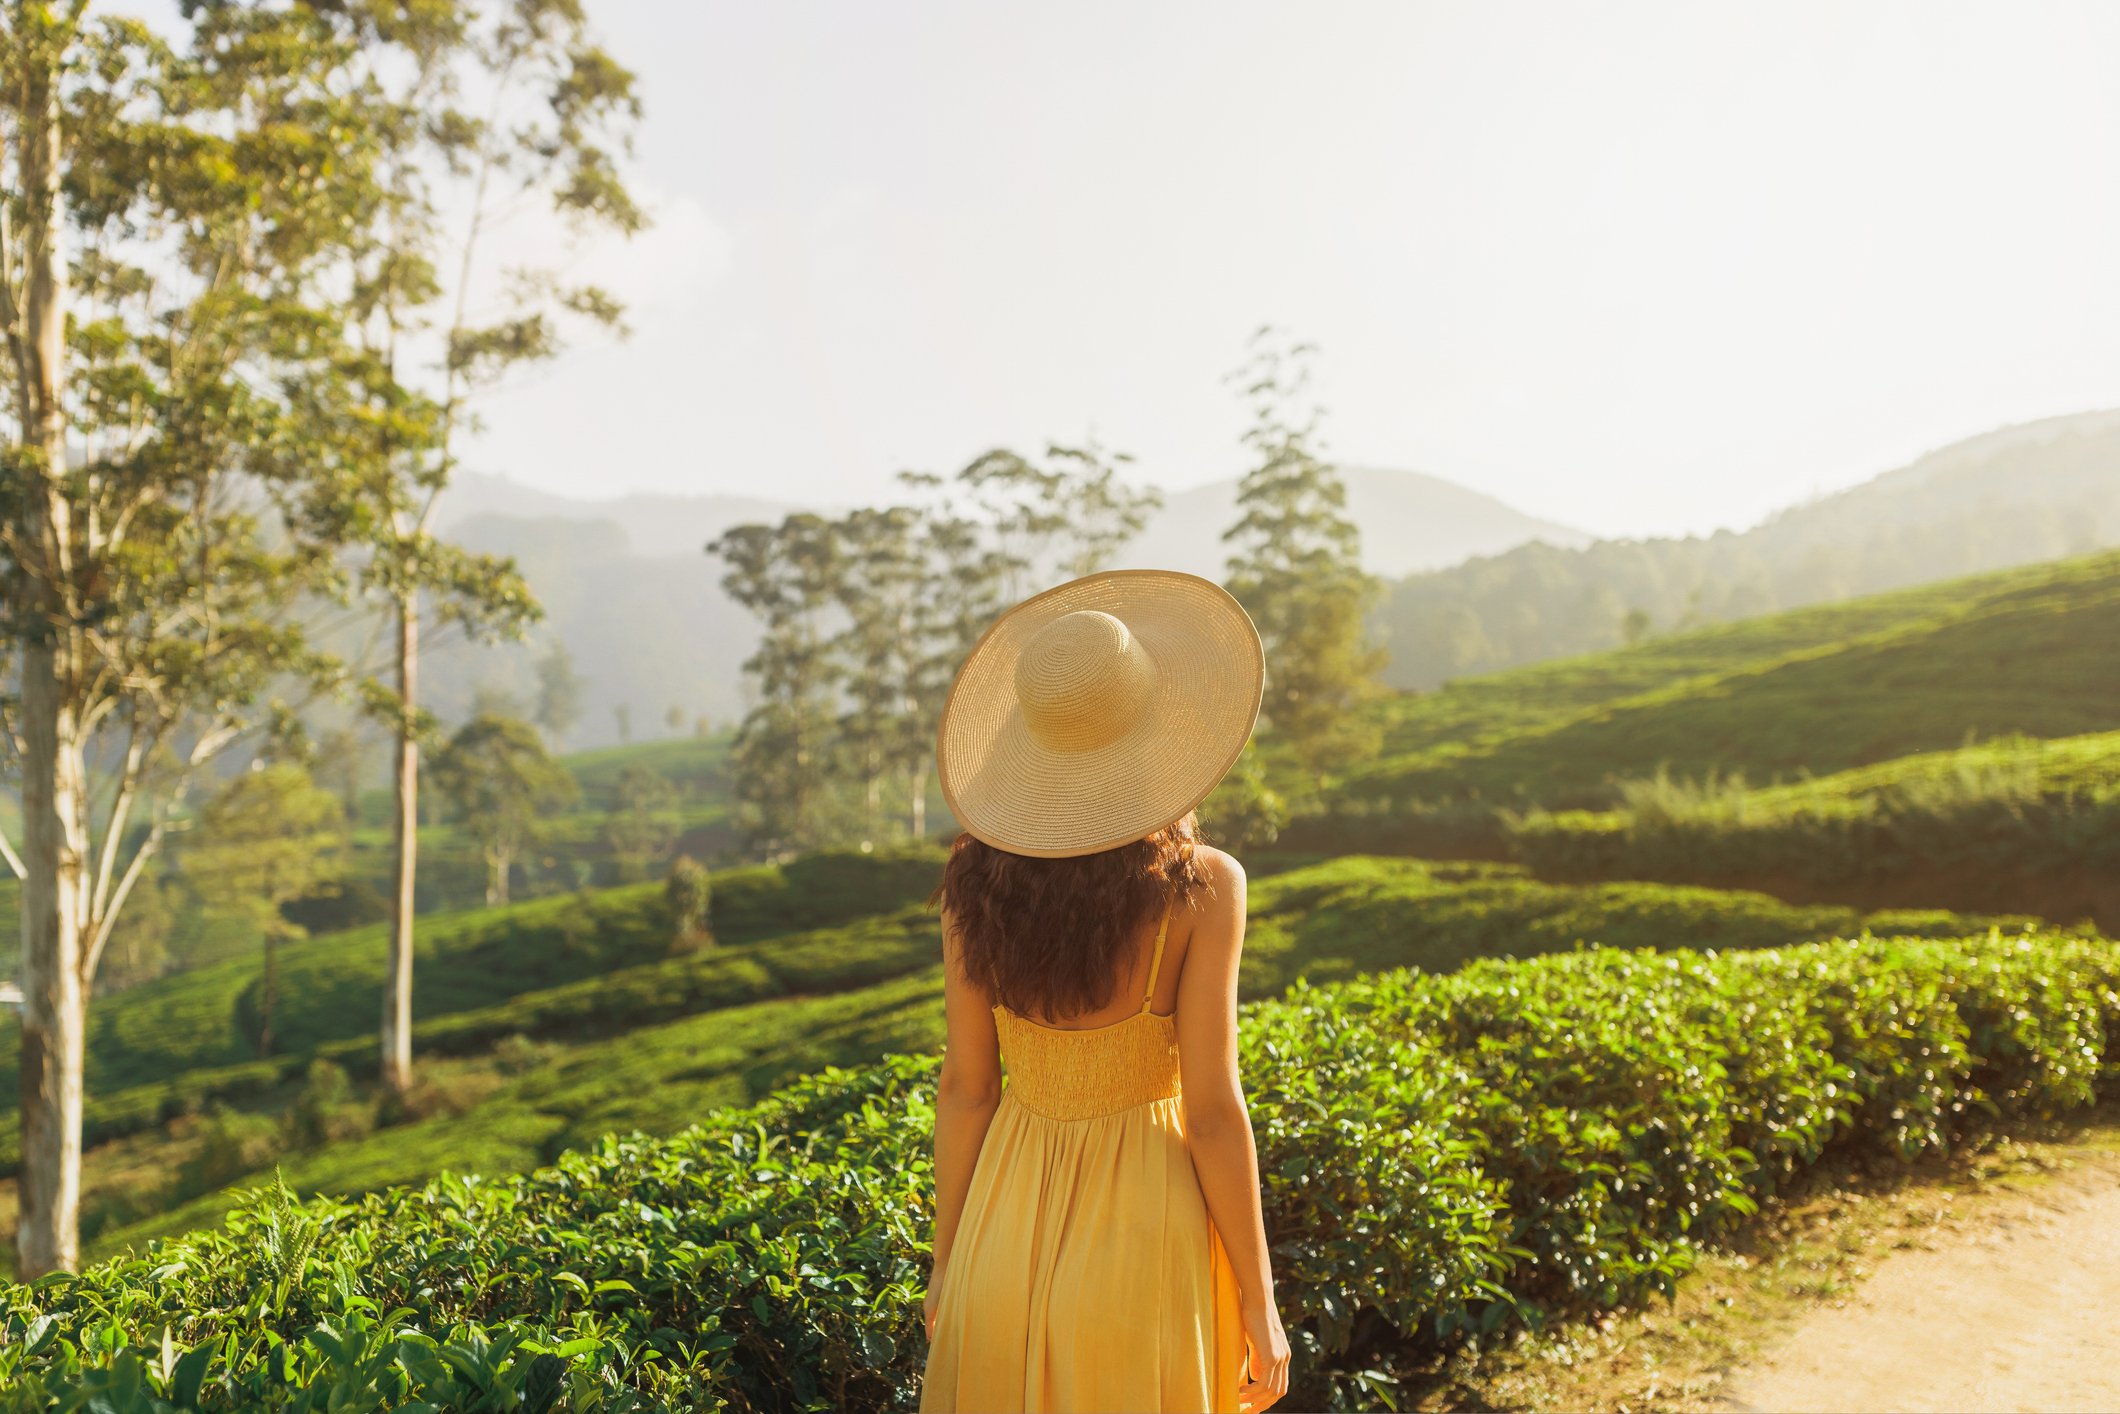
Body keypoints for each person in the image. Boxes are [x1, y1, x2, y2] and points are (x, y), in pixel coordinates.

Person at [918, 569, 1291, 1414]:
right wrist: (1261, 1301)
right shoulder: (1203, 888)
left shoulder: (972, 888)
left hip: (1003, 1230)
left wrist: (948, 1261)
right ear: (1163, 731)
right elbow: (1212, 1113)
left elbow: (969, 1089)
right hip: (1145, 1235)